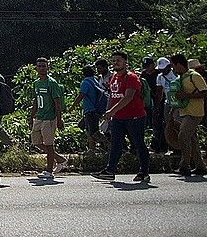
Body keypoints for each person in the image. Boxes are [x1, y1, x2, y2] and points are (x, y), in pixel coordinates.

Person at [93, 51, 151, 184]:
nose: (115, 63)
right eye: (113, 60)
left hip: (135, 117)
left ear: (125, 62)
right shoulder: (114, 77)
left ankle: (144, 172)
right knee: (115, 145)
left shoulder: (131, 77)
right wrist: (109, 112)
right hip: (119, 118)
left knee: (138, 144)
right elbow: (113, 97)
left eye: (118, 60)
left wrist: (112, 111)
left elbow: (128, 97)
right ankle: (110, 171)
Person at [29, 57, 67, 178]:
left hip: (49, 118)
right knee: (36, 142)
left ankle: (49, 170)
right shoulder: (36, 83)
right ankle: (59, 159)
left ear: (48, 67)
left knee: (49, 144)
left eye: (43, 66)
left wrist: (59, 119)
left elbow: (57, 103)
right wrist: (31, 117)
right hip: (39, 116)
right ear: (36, 68)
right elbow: (35, 101)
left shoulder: (51, 83)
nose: (41, 68)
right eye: (39, 66)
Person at [169, 54, 206, 176]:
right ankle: (200, 166)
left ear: (178, 64)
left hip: (195, 112)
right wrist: (172, 111)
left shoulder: (194, 76)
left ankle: (184, 165)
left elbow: (204, 92)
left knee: (183, 136)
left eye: (173, 65)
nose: (173, 68)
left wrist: (187, 96)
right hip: (185, 112)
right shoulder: (181, 78)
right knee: (192, 139)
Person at [73, 64, 106, 153]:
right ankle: (92, 148)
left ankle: (108, 145)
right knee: (86, 128)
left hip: (90, 110)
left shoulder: (85, 82)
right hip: (95, 110)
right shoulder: (95, 81)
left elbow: (81, 95)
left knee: (93, 131)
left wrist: (73, 106)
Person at [155, 58, 181, 157]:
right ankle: (173, 146)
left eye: (164, 68)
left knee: (178, 125)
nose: (162, 71)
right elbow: (159, 93)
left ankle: (181, 146)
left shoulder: (176, 75)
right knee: (169, 126)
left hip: (178, 103)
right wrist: (157, 107)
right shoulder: (160, 77)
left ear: (169, 66)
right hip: (168, 103)